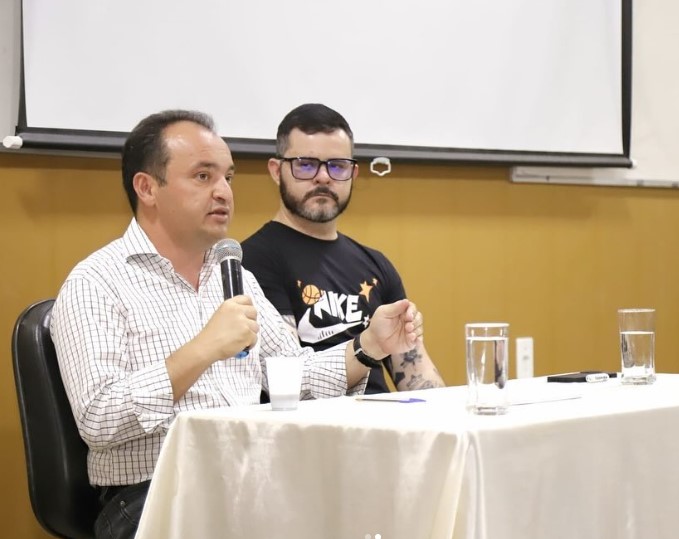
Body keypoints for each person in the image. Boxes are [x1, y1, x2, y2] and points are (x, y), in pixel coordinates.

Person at [49, 109, 426, 539]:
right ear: (147, 187)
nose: (224, 192)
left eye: (228, 177)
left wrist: (367, 347)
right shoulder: (97, 282)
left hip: (254, 481)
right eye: (203, 177)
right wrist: (203, 348)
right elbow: (99, 419)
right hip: (152, 495)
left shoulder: (233, 275)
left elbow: (293, 376)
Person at [242, 104, 444, 394]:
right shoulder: (251, 262)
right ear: (277, 171)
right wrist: (367, 345)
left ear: (353, 173)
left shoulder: (376, 264)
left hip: (388, 428)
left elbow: (415, 372)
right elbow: (287, 381)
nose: (323, 177)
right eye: (306, 164)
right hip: (312, 433)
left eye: (337, 166)